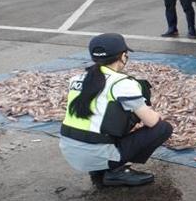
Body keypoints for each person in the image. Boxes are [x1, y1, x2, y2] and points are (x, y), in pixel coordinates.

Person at [59, 33, 173, 186]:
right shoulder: (122, 83)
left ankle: (99, 168)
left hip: (70, 152)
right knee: (163, 128)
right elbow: (152, 122)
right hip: (96, 155)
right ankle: (117, 170)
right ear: (123, 56)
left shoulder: (77, 79)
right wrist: (157, 114)